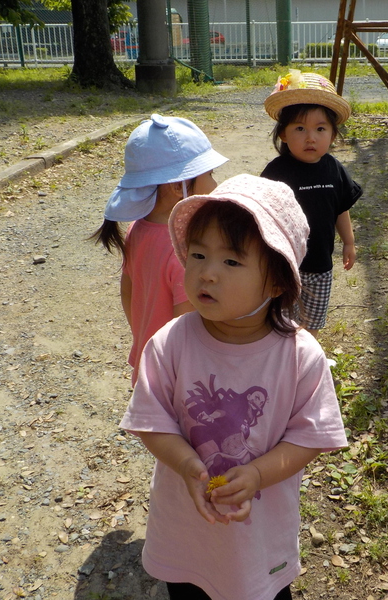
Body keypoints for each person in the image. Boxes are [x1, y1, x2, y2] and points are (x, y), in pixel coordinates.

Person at [119, 174, 349, 600]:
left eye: (231, 262)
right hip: (186, 526)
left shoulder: (299, 355)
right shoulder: (171, 342)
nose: (207, 273)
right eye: (198, 254)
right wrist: (188, 465)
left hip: (260, 540)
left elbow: (312, 435)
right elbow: (150, 421)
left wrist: (259, 472)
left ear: (277, 281)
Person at [92, 114, 228, 386]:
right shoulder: (184, 251)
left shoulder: (138, 228)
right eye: (210, 175)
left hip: (150, 362)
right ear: (179, 187)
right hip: (179, 376)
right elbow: (187, 327)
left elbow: (128, 293)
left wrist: (143, 335)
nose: (216, 184)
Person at [261, 70, 363, 337]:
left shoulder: (334, 169)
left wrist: (349, 242)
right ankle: (282, 359)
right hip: (284, 263)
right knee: (281, 320)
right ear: (283, 134)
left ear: (332, 134)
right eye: (300, 128)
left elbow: (341, 207)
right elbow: (262, 215)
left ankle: (308, 359)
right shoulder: (276, 172)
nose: (311, 137)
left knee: (313, 323)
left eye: (320, 129)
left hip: (320, 263)